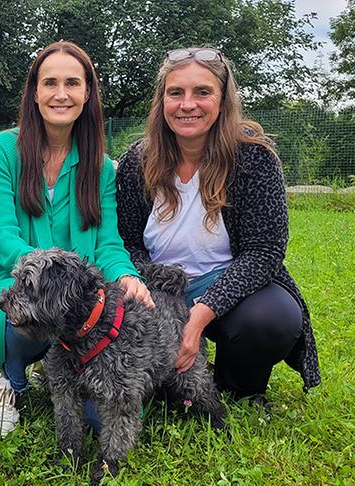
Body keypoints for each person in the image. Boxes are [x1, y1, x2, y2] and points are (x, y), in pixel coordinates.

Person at [115, 47, 321, 405]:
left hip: (223, 280)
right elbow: (125, 242)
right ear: (162, 101)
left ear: (223, 100)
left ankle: (235, 383)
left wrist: (197, 317)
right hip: (156, 283)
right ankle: (170, 376)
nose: (187, 104)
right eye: (175, 92)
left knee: (274, 318)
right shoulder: (138, 160)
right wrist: (160, 303)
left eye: (202, 92)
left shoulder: (254, 158)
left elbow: (265, 252)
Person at [0, 41, 153, 437]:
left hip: (76, 296)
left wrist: (127, 275)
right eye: (50, 83)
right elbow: (0, 235)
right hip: (18, 279)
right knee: (19, 312)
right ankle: (11, 378)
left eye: (72, 83)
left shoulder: (101, 167)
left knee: (97, 421)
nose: (61, 94)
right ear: (35, 92)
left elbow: (108, 242)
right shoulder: (1, 150)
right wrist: (46, 273)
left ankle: (62, 364)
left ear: (87, 92)